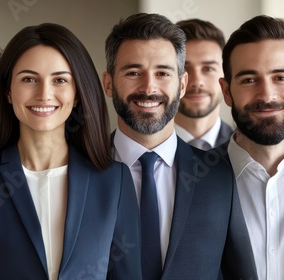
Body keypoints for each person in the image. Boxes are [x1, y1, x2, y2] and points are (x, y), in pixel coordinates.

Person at [0, 23, 142, 279]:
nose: (44, 94)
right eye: (29, 79)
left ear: (77, 93)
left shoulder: (114, 180)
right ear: (8, 92)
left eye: (59, 80)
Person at [102, 13, 257, 279]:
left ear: (182, 84)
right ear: (108, 83)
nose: (149, 87)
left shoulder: (220, 176)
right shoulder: (77, 170)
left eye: (162, 73)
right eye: (133, 72)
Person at [219, 15, 284, 280]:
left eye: (281, 77)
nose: (267, 95)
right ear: (227, 92)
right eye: (249, 80)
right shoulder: (189, 180)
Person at [174, 18, 234, 150]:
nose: (196, 82)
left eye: (208, 68)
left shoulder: (250, 151)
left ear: (226, 77)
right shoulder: (141, 151)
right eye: (184, 69)